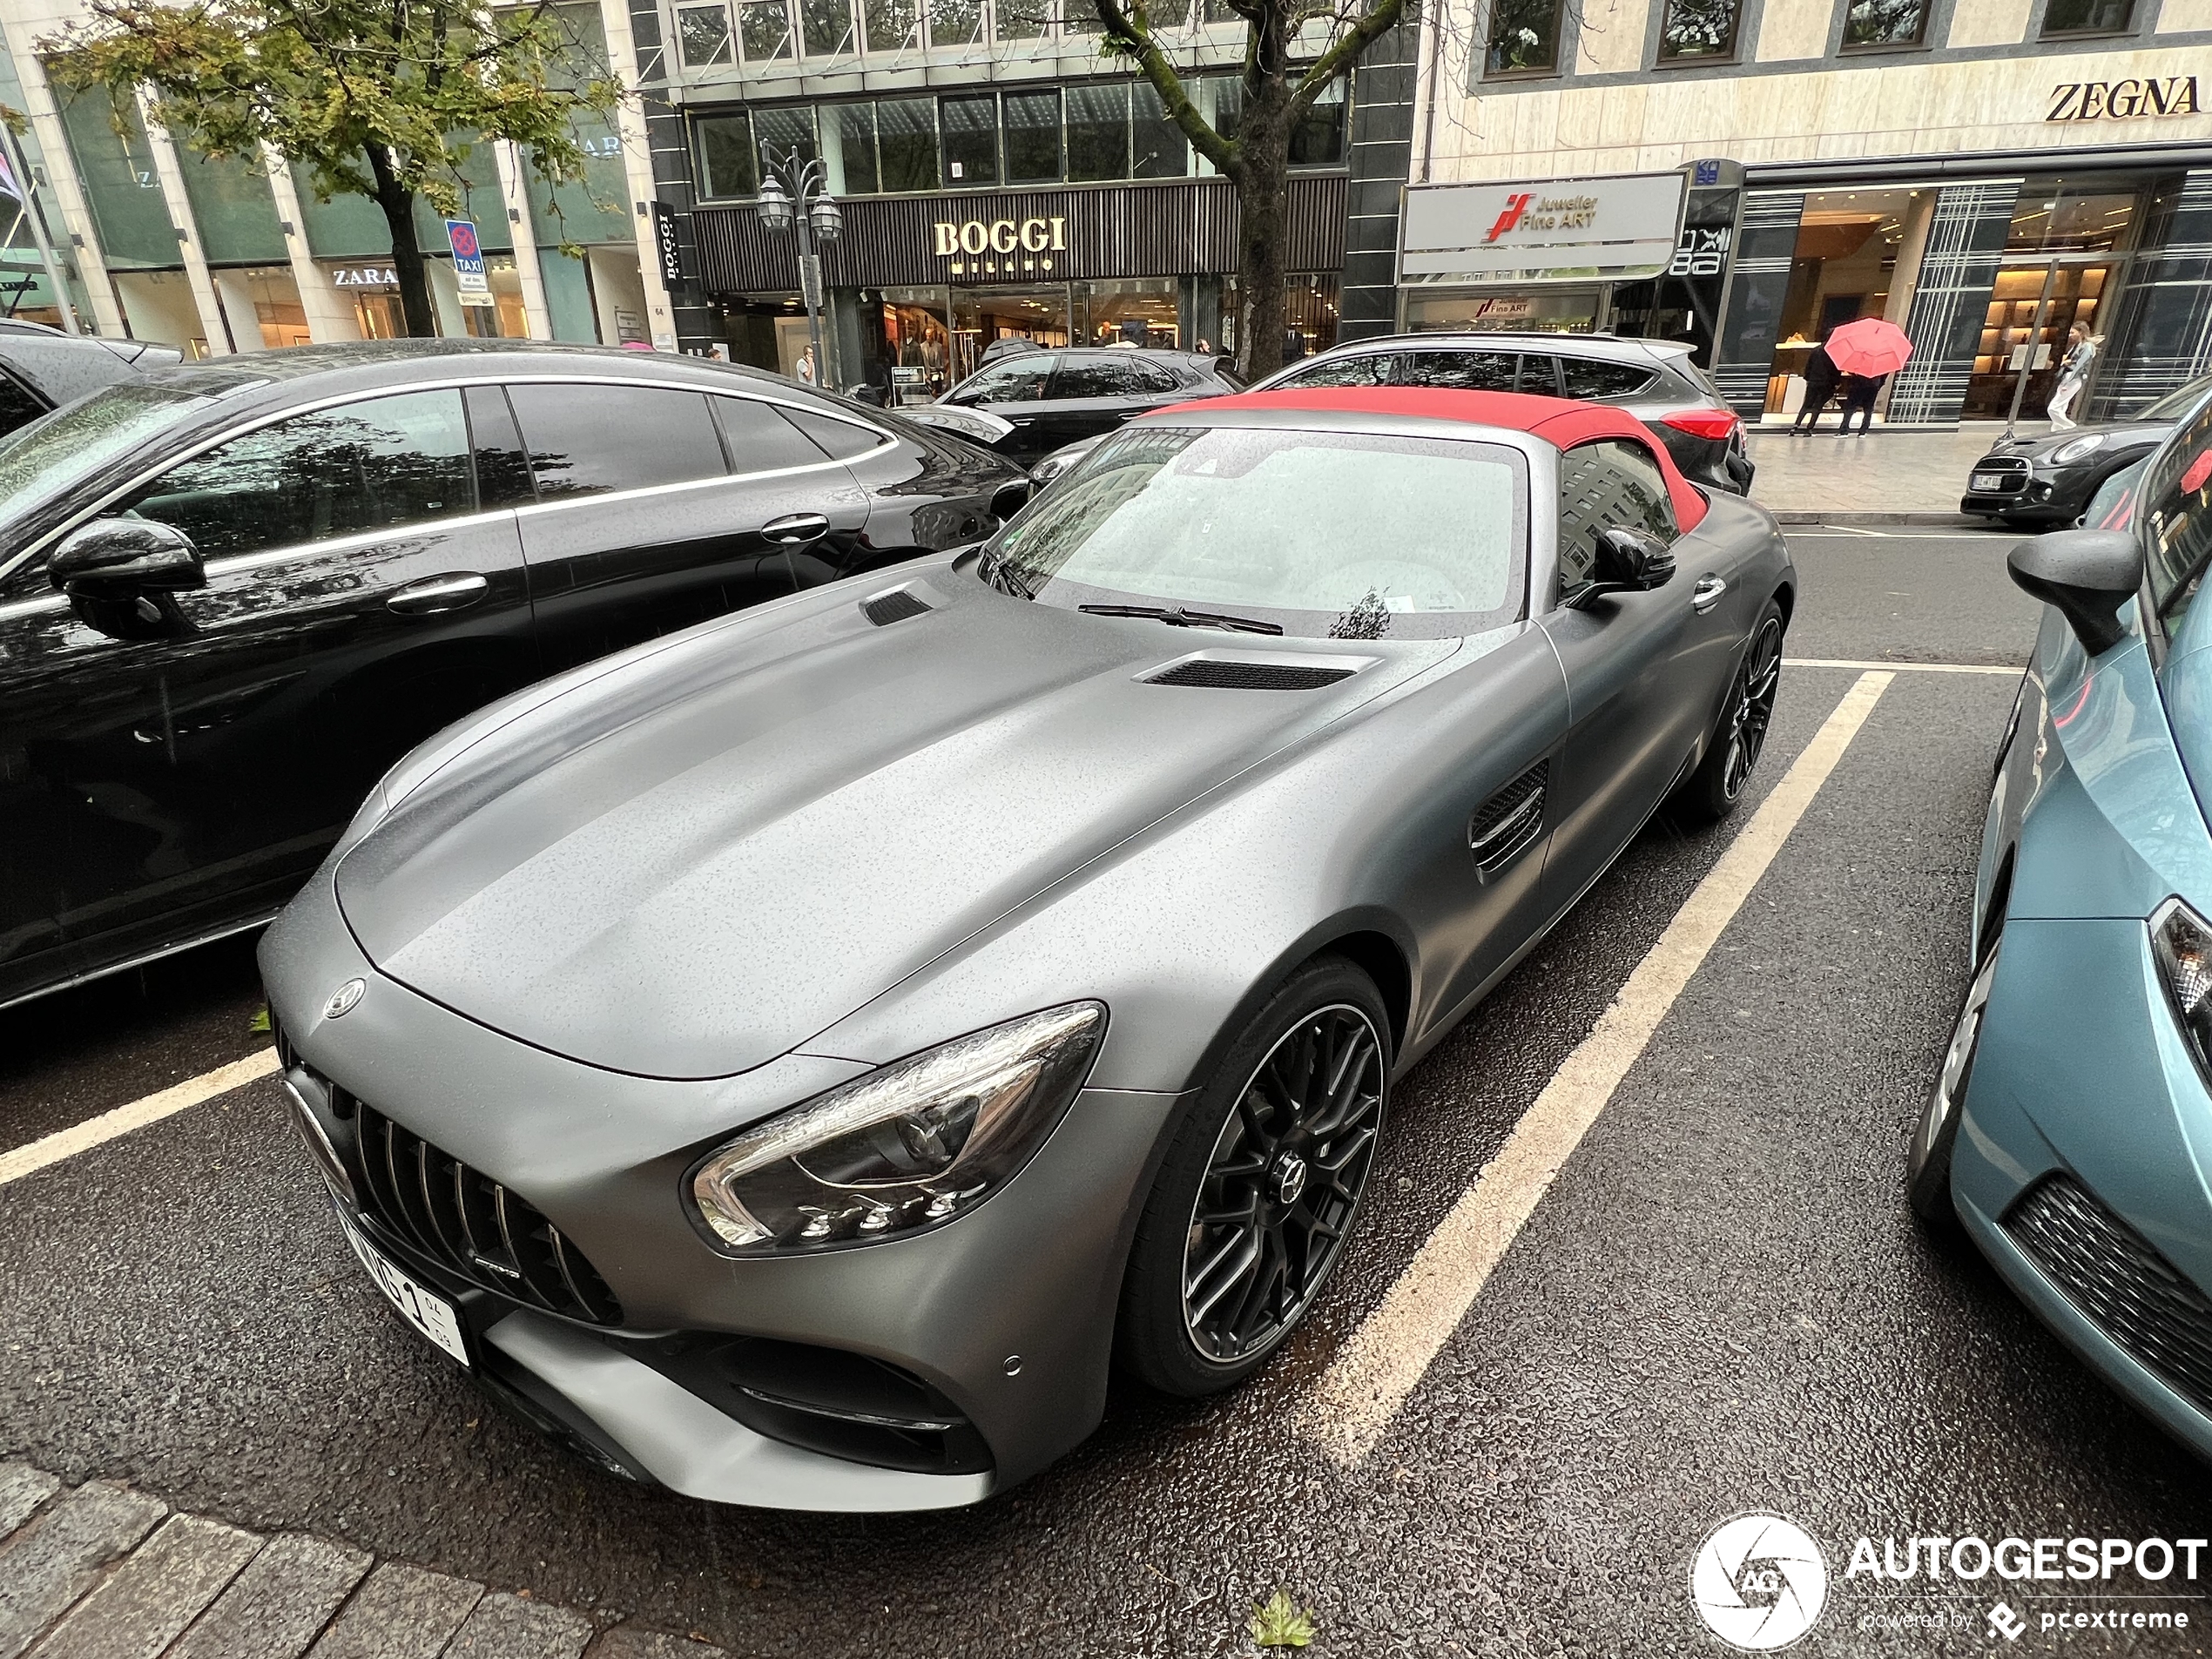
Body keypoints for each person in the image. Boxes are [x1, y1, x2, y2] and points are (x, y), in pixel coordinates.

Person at [2047, 321, 2099, 430]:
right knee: (2060, 407)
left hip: (2073, 378)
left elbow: (2080, 365)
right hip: (2068, 377)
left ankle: (2072, 428)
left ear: (2080, 332)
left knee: (2053, 408)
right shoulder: (2077, 346)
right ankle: (2057, 430)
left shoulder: (2087, 347)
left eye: (2072, 332)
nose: (2070, 335)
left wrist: (2067, 381)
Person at [1793, 338, 1841, 434]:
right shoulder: (1833, 353)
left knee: (1807, 403)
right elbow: (1835, 370)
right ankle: (1809, 428)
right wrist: (1836, 382)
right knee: (1818, 406)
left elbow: (1809, 365)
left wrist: (1808, 378)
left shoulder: (1815, 350)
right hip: (1826, 382)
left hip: (1813, 380)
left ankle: (1796, 425)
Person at [1838, 371, 1884, 435]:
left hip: (1859, 386)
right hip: (1873, 387)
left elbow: (1853, 373)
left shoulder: (1861, 363)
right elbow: (1883, 379)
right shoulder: (1879, 366)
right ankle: (1863, 431)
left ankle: (1844, 430)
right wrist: (1877, 386)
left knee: (1850, 408)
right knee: (1868, 409)